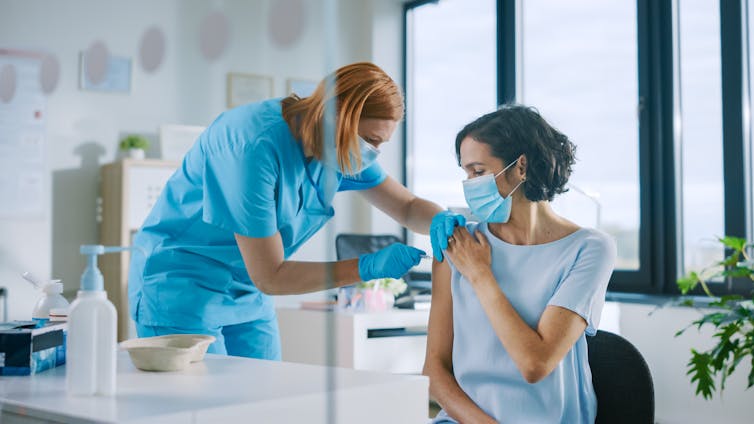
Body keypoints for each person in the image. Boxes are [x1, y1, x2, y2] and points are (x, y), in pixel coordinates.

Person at [128, 62, 454, 360]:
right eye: (369, 140)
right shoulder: (252, 146)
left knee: (267, 402)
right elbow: (271, 274)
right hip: (182, 287)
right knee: (205, 409)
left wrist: (443, 219)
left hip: (249, 292)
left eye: (380, 144)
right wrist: (367, 267)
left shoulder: (337, 150)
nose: (372, 153)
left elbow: (407, 206)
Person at [424, 105, 617, 423]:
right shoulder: (456, 244)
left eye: (479, 171)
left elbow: (534, 364)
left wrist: (480, 274)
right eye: (465, 173)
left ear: (521, 167)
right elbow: (434, 370)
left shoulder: (589, 249)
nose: (469, 184)